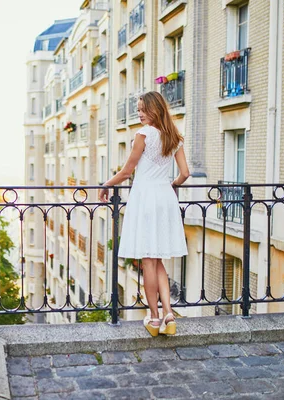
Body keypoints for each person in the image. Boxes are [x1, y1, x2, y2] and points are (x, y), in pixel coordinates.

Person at [99, 91, 189, 337]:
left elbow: (127, 171)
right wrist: (170, 187)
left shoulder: (143, 135)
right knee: (157, 259)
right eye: (138, 109)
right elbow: (185, 173)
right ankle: (169, 314)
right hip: (165, 198)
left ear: (154, 110)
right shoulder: (174, 136)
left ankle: (155, 318)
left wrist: (106, 185)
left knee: (148, 261)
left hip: (146, 199)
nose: (139, 113)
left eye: (142, 109)